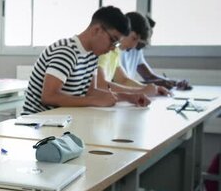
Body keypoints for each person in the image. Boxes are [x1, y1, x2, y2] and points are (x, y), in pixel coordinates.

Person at [22, 6, 150, 115]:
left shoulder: (92, 55)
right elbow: (48, 97)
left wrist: (127, 97)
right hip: (37, 125)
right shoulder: (66, 51)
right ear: (96, 30)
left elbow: (89, 91)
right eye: (112, 40)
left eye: (116, 44)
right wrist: (95, 100)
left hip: (60, 121)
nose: (112, 48)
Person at [96, 12, 170, 97]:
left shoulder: (115, 51)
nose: (134, 45)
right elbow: (100, 84)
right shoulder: (103, 48)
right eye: (134, 38)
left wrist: (153, 89)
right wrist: (140, 91)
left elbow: (124, 80)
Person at [119, 15, 191, 90]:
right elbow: (121, 83)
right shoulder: (117, 49)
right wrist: (151, 85)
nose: (138, 46)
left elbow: (149, 76)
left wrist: (174, 83)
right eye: (135, 39)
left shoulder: (137, 50)